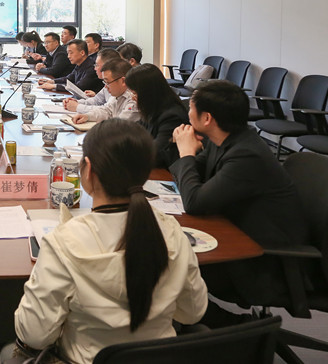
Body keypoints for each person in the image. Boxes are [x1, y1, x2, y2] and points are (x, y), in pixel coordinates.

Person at [12, 119, 207, 363]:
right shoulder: (171, 230)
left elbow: (34, 335)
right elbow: (192, 312)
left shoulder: (64, 242)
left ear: (88, 170)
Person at [170, 80, 307, 309]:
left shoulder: (246, 154)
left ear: (207, 118)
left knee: (169, 267)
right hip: (236, 231)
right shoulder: (225, 138)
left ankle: (218, 323)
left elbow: (194, 201)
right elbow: (182, 175)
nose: (187, 114)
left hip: (260, 262)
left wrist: (186, 153)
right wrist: (188, 154)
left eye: (191, 109)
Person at [124, 64, 188, 168]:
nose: (133, 98)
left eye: (135, 93)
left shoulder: (172, 116)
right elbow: (135, 130)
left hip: (166, 171)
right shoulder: (153, 107)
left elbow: (156, 154)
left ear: (147, 92)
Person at [70, 58, 138, 124]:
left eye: (107, 82)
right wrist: (87, 116)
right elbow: (106, 111)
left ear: (123, 81)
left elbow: (120, 124)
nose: (106, 87)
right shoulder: (117, 94)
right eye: (104, 82)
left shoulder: (134, 99)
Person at [39, 39, 104, 94]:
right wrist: (52, 81)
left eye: (71, 53)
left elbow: (78, 88)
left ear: (82, 53)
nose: (68, 56)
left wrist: (54, 86)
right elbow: (69, 78)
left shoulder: (92, 67)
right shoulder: (79, 64)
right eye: (68, 53)